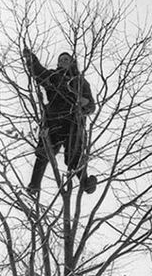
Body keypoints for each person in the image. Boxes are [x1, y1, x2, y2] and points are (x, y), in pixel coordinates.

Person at [23, 47, 97, 194]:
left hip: (73, 123)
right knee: (44, 151)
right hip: (54, 120)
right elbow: (39, 73)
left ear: (72, 63)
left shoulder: (81, 82)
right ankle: (34, 185)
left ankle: (86, 184)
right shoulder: (54, 76)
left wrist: (84, 103)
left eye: (66, 59)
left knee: (74, 157)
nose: (63, 61)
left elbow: (91, 106)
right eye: (60, 60)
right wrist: (31, 59)